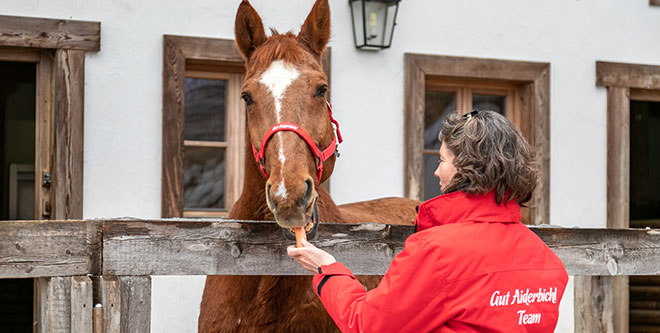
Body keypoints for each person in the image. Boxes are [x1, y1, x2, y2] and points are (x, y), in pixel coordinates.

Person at [287, 109, 568, 332]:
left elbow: (368, 324)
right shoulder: (547, 261)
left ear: (466, 169)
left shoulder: (437, 252)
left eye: (442, 160)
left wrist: (328, 269)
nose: (436, 172)